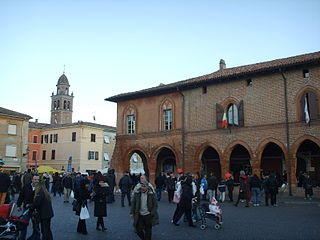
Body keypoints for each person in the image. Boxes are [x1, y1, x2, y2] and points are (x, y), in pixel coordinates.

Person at [17, 174, 39, 240]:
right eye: (35, 179)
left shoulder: (40, 187)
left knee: (36, 225)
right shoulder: (26, 186)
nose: (36, 181)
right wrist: (18, 205)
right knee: (24, 224)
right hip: (26, 208)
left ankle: (36, 237)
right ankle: (22, 238)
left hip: (35, 209)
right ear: (32, 180)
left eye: (38, 179)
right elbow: (21, 196)